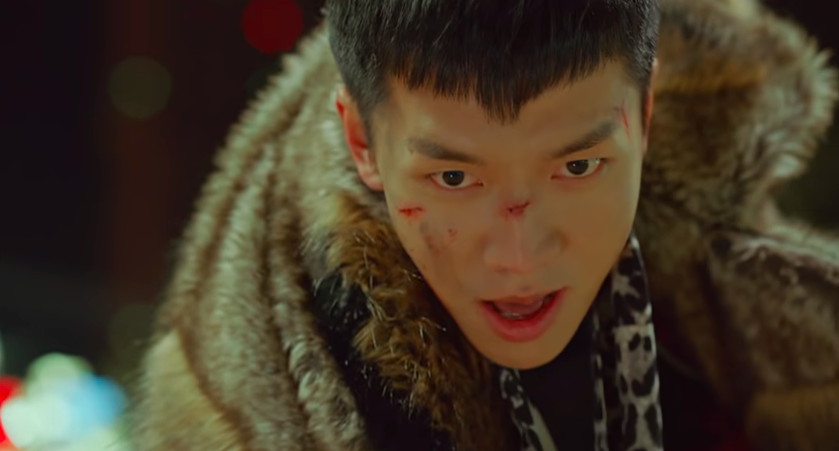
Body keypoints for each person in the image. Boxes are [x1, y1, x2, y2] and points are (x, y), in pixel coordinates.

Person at [128, 0, 839, 450]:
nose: (519, 257)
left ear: (645, 116)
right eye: (453, 179)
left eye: (578, 166)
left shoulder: (768, 296)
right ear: (361, 142)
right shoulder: (260, 405)